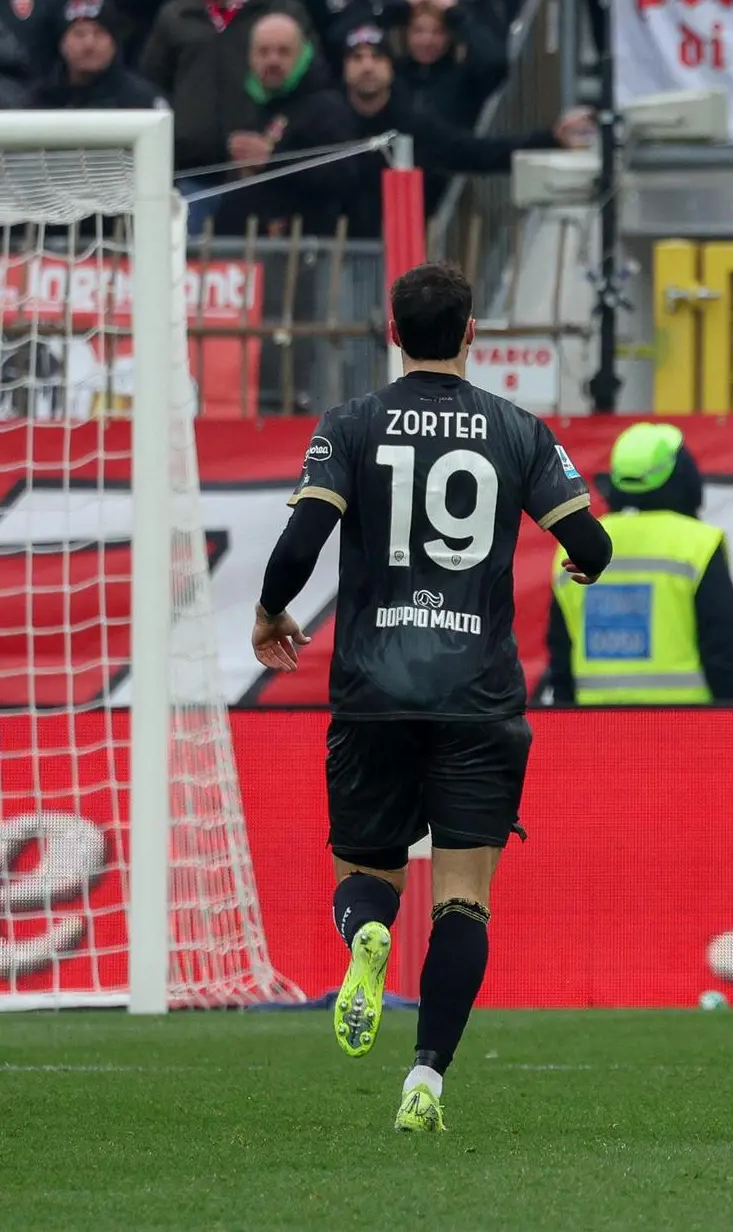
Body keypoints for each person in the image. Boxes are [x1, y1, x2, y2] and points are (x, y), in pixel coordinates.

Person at [250, 262, 612, 1132]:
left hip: (375, 690)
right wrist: (580, 562)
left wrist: (271, 612)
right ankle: (427, 1081)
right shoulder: (518, 428)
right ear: (473, 332)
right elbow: (591, 543)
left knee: (365, 876)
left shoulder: (352, 423)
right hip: (479, 695)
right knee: (463, 897)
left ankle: (366, 937)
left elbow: (303, 536)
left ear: (393, 332)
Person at [270, 23, 592, 238]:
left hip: (393, 256)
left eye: (376, 57)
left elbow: (475, 151)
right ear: (344, 68)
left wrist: (550, 137)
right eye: (357, 57)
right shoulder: (320, 118)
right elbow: (290, 168)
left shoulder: (412, 122)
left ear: (391, 67)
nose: (367, 65)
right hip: (328, 252)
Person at [544, 422, 733, 705]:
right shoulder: (698, 544)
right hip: (686, 728)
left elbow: (561, 654)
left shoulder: (578, 543)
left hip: (593, 730)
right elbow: (722, 652)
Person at [138, 0, 318, 230]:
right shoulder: (175, 14)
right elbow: (153, 86)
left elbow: (309, 81)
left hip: (259, 178)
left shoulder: (280, 8)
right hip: (189, 176)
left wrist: (278, 147)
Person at [212, 12, 331, 233]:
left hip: (305, 248)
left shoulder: (326, 107)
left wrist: (273, 159)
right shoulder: (240, 104)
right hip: (241, 246)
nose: (272, 60)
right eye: (263, 52)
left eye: (283, 52)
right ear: (250, 57)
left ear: (303, 55)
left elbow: (340, 177)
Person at [34, 0, 167, 111]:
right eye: (79, 34)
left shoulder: (143, 102)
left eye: (99, 34)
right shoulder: (39, 101)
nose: (89, 44)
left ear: (114, 42)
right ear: (62, 43)